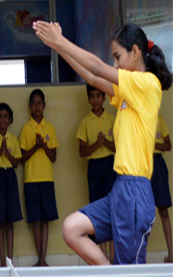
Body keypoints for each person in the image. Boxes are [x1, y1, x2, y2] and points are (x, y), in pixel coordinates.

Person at [34, 21, 171, 264]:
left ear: (136, 52)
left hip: (136, 192)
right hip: (119, 189)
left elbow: (98, 67)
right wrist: (57, 46)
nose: (115, 64)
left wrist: (61, 41)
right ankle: (109, 271)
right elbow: (91, 76)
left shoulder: (147, 84)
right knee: (71, 228)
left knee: (129, 268)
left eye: (118, 57)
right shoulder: (129, 92)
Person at [76, 84, 116, 261]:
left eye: (98, 95)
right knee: (96, 211)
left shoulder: (113, 119)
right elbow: (82, 151)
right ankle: (101, 257)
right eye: (92, 96)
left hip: (110, 165)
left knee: (114, 208)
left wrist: (105, 143)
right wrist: (97, 144)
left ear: (104, 98)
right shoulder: (85, 121)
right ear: (89, 100)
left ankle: (114, 255)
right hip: (93, 167)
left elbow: (119, 147)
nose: (95, 99)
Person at [19, 88, 59, 267]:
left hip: (47, 179)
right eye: (33, 103)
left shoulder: (49, 128)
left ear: (44, 105)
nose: (36, 106)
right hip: (30, 180)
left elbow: (53, 157)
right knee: (35, 220)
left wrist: (44, 145)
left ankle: (44, 258)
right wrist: (36, 146)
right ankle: (39, 258)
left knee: (45, 220)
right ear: (30, 106)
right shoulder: (26, 129)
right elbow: (23, 157)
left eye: (39, 103)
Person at [0, 103, 23, 267]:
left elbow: (16, 163)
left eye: (6, 117)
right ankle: (2, 258)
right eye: (0, 116)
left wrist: (7, 152)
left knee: (10, 220)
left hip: (10, 176)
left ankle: (10, 257)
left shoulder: (13, 139)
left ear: (10, 120)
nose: (3, 119)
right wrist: (0, 151)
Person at [151, 115, 172, 263]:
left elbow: (168, 145)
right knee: (140, 213)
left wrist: (155, 146)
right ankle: (138, 256)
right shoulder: (137, 116)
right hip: (141, 164)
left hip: (157, 164)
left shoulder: (159, 119)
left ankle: (171, 254)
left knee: (163, 210)